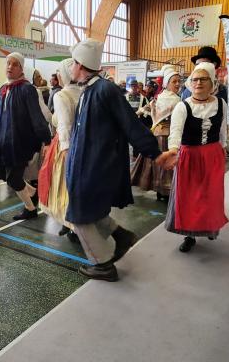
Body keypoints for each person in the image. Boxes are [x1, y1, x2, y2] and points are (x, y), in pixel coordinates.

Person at [65, 39, 163, 282]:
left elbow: (131, 125)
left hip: (95, 168)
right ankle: (121, 236)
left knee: (78, 217)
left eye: (73, 63)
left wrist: (156, 153)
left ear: (80, 65)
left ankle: (103, 265)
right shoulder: (89, 90)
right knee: (93, 211)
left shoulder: (104, 91)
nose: (70, 68)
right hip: (85, 167)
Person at [163, 62, 228, 252]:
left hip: (212, 155)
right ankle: (189, 235)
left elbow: (222, 129)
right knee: (189, 197)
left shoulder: (220, 103)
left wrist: (223, 148)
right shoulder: (183, 106)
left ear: (212, 82)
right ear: (190, 83)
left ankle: (208, 227)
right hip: (189, 156)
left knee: (211, 195)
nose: (198, 83)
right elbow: (175, 132)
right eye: (195, 79)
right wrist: (173, 150)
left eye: (203, 79)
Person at [0, 52, 51, 220]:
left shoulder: (27, 89)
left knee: (13, 178)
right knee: (2, 173)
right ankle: (33, 192)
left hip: (21, 143)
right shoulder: (3, 89)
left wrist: (46, 140)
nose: (10, 67)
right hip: (4, 143)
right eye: (8, 63)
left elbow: (37, 117)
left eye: (15, 64)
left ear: (21, 68)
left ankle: (30, 208)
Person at [38, 58, 82, 240]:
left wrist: (65, 150)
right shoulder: (82, 91)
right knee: (75, 188)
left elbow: (63, 125)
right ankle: (70, 223)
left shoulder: (61, 95)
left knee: (63, 188)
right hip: (81, 145)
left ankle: (72, 224)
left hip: (64, 147)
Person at [131, 66, 181, 200]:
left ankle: (160, 191)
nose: (177, 84)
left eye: (179, 81)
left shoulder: (161, 97)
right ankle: (164, 191)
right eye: (174, 81)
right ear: (167, 84)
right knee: (164, 163)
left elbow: (145, 108)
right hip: (166, 136)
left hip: (158, 134)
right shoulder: (176, 100)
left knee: (154, 163)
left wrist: (136, 113)